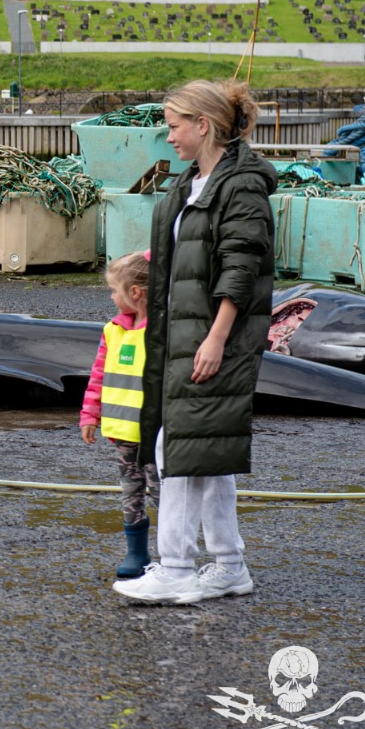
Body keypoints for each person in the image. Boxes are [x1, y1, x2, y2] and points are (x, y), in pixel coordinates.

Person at [114, 79, 276, 605]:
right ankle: (230, 566)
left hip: (211, 338)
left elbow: (241, 266)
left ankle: (178, 567)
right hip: (186, 332)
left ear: (203, 125)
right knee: (207, 452)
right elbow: (190, 255)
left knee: (175, 448)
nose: (170, 138)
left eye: (174, 127)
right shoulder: (194, 181)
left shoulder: (240, 185)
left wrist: (216, 339)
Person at [79, 250, 159, 579]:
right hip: (123, 434)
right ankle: (136, 552)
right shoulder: (112, 331)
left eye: (114, 290)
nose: (112, 296)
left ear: (135, 292)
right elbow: (98, 376)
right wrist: (89, 415)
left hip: (154, 433)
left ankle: (172, 554)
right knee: (131, 493)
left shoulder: (160, 332)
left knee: (163, 494)